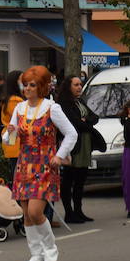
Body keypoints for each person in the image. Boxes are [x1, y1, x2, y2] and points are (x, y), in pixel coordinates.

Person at [4, 65, 77, 261]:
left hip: (45, 164)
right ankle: (36, 253)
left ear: (42, 86)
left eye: (32, 85)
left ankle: (51, 250)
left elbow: (71, 133)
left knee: (36, 211)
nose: (27, 88)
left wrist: (59, 155)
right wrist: (10, 132)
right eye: (25, 84)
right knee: (26, 213)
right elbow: (9, 141)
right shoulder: (19, 109)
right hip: (24, 163)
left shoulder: (52, 108)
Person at [55, 75, 98, 223]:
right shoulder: (63, 104)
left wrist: (86, 121)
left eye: (80, 84)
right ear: (68, 87)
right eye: (76, 85)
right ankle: (69, 212)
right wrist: (84, 123)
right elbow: (75, 124)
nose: (79, 87)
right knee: (69, 179)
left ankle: (79, 210)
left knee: (81, 179)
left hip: (85, 144)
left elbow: (95, 117)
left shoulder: (80, 101)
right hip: (73, 145)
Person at [0, 70, 24, 175]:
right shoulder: (15, 100)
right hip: (15, 139)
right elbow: (18, 121)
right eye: (22, 79)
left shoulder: (10, 99)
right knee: (18, 173)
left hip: (13, 138)